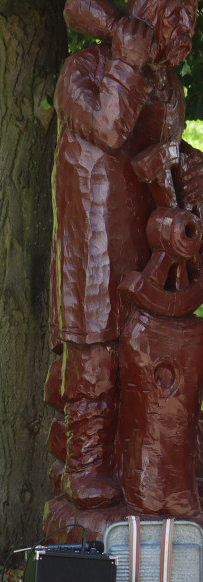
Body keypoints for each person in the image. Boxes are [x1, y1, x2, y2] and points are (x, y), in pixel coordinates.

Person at [49, 0, 203, 510]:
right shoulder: (84, 70)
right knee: (96, 340)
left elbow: (160, 150)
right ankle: (86, 464)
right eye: (175, 12)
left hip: (148, 229)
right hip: (94, 227)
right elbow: (110, 129)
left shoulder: (171, 87)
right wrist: (127, 61)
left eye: (193, 13)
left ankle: (155, 459)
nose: (187, 26)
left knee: (149, 341)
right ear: (143, 13)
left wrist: (190, 165)